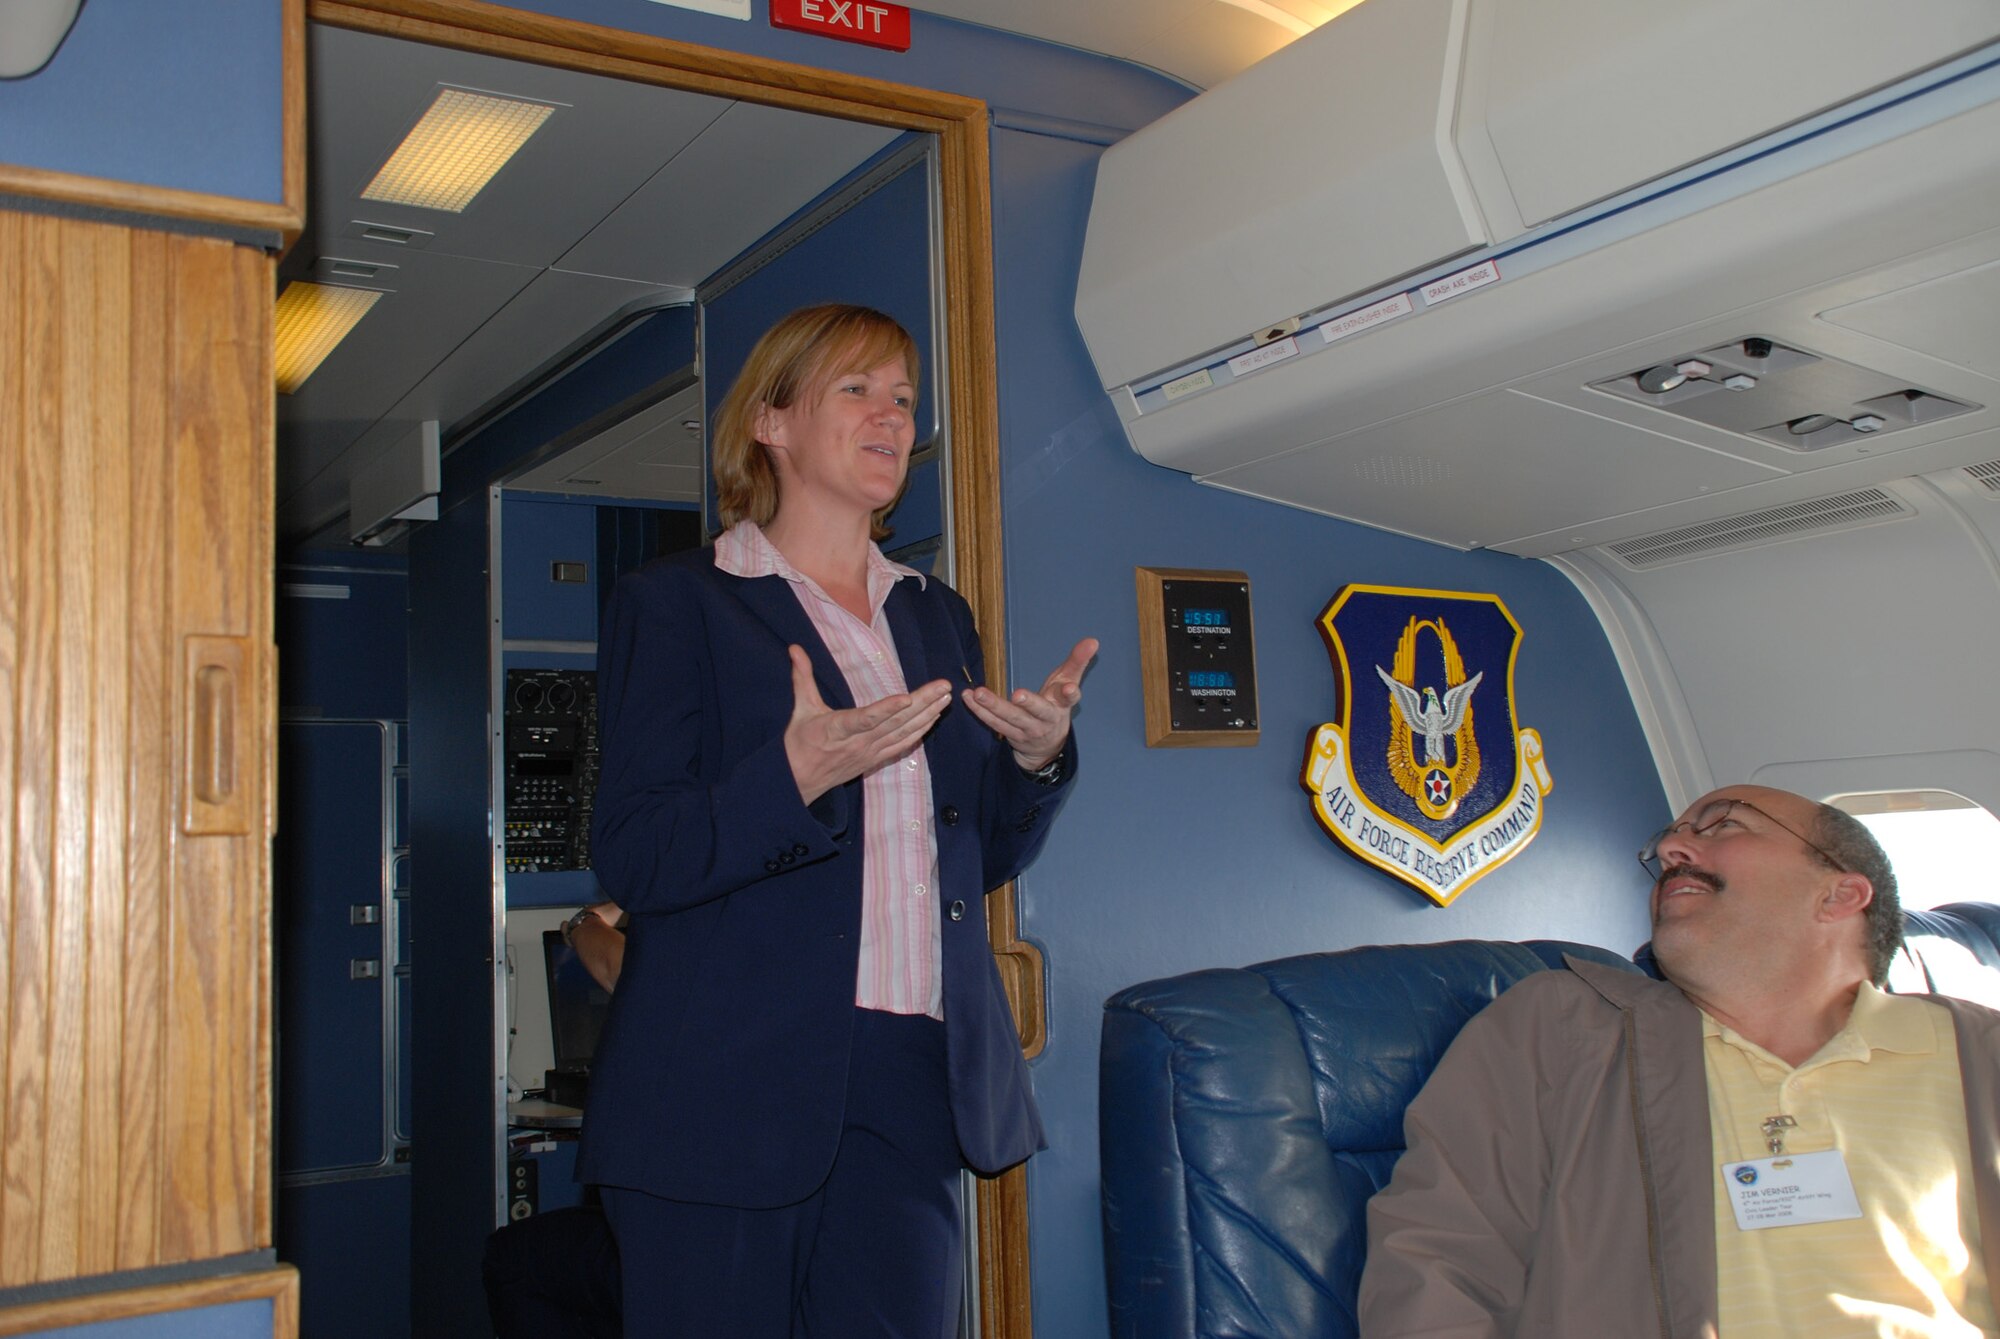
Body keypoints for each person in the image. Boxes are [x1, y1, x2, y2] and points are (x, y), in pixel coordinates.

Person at [578, 303, 1096, 1338]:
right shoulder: (679, 602)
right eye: (854, 390)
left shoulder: (933, 615)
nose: (889, 417)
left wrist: (1036, 764)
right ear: (769, 423)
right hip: (718, 1091)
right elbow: (637, 854)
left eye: (902, 398)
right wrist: (790, 773)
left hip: (909, 1078)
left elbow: (967, 855)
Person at [1358, 784, 2000, 1338]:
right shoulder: (1562, 1028)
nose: (1669, 850)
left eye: (1723, 825)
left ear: (1839, 895)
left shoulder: (1980, 1054)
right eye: (1665, 842)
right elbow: (1438, 1262)